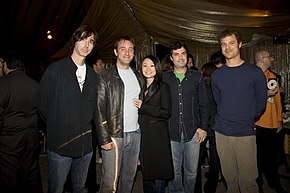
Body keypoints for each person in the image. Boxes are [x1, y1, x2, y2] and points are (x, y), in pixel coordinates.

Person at [37, 25, 98, 193]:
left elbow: (93, 109)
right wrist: (58, 126)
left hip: (85, 147)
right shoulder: (55, 70)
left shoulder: (93, 76)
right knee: (56, 189)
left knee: (80, 188)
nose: (87, 44)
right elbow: (42, 105)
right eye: (83, 39)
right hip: (60, 146)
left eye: (91, 41)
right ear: (74, 41)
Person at [211, 28, 268, 193]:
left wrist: (246, 117)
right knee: (230, 179)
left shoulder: (254, 72)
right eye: (223, 44)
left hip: (244, 133)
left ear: (240, 44)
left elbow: (261, 103)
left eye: (231, 43)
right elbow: (218, 100)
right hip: (222, 133)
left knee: (248, 181)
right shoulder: (217, 75)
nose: (227, 48)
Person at [96, 36, 141, 193]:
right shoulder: (105, 76)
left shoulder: (138, 75)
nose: (127, 53)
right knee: (110, 181)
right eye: (123, 49)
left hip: (135, 133)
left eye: (130, 49)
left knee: (129, 177)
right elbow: (99, 109)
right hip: (114, 135)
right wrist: (104, 138)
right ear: (116, 52)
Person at [163, 41, 209, 193]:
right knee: (174, 172)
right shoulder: (164, 78)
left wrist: (203, 127)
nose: (180, 57)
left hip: (193, 133)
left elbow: (204, 104)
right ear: (171, 58)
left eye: (183, 54)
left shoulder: (196, 77)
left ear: (187, 56)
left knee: (191, 172)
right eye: (176, 54)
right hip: (171, 132)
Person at [0, 51, 43, 193]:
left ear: (5, 66)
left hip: (8, 143)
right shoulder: (34, 84)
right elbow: (42, 113)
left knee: (9, 178)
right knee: (31, 175)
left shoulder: (3, 85)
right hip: (31, 140)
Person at [134, 55, 174, 193]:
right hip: (143, 134)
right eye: (145, 65)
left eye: (152, 65)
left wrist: (144, 106)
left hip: (158, 135)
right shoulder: (138, 86)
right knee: (147, 170)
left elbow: (166, 112)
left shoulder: (163, 87)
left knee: (159, 171)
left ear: (157, 68)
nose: (148, 69)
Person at [255, 50, 287, 193]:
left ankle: (274, 183)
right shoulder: (251, 76)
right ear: (262, 59)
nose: (272, 59)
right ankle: (258, 185)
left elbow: (278, 100)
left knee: (272, 157)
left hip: (273, 124)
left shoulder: (272, 76)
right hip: (257, 123)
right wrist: (263, 94)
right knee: (257, 158)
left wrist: (279, 120)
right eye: (270, 57)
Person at [201, 62, 227, 193]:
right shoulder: (218, 87)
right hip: (216, 125)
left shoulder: (201, 88)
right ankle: (211, 186)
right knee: (215, 158)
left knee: (197, 160)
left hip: (203, 126)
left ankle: (197, 187)